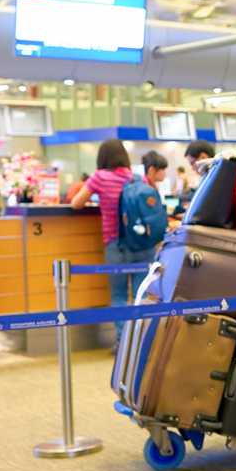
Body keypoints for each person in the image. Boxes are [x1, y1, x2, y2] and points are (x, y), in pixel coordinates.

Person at [72, 139, 146, 340]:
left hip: (116, 244)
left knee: (119, 295)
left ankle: (123, 341)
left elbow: (76, 203)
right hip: (143, 244)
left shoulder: (100, 177)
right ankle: (141, 341)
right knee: (141, 296)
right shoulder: (138, 178)